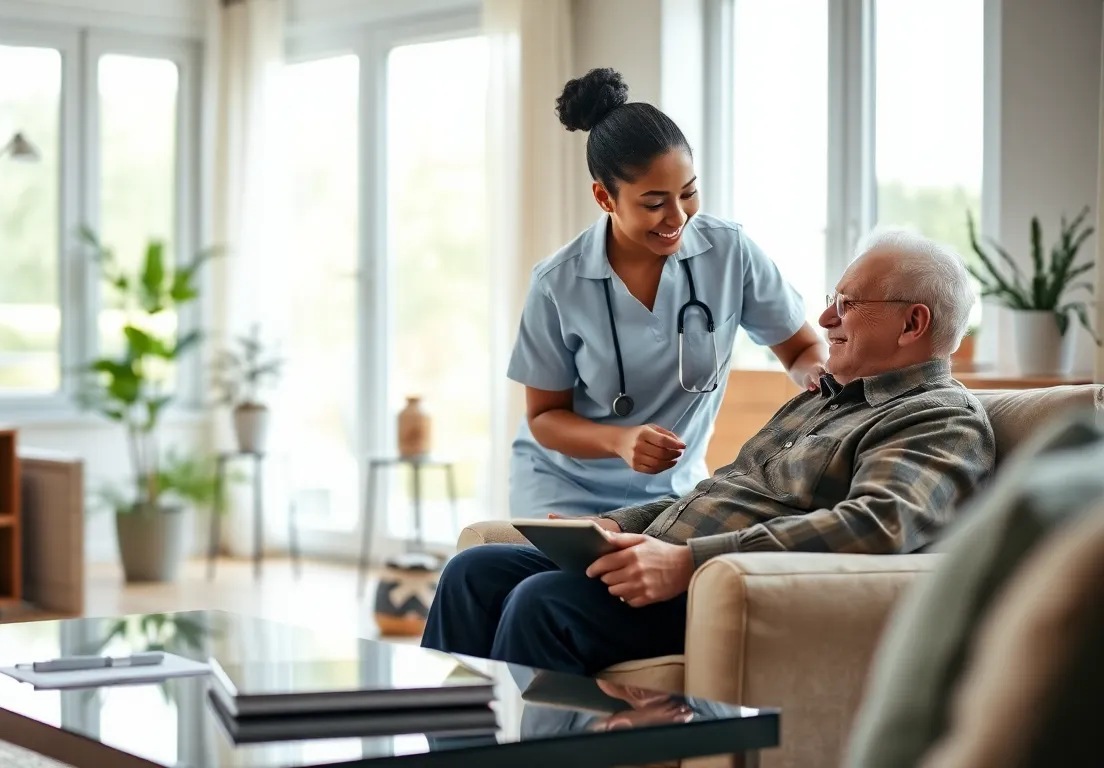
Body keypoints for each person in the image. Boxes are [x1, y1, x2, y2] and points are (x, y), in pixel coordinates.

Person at [424, 227, 996, 676]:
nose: (825, 319)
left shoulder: (938, 417)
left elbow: (878, 526)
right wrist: (608, 526)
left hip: (731, 586)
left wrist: (688, 562)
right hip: (672, 561)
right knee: (475, 572)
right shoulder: (820, 400)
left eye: (847, 303)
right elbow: (718, 493)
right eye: (831, 300)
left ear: (912, 323)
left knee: (543, 602)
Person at [508, 67, 827, 519]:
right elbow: (544, 418)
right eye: (654, 203)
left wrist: (816, 373)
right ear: (605, 198)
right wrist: (620, 441)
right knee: (545, 588)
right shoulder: (557, 283)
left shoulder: (729, 252)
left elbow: (801, 350)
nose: (677, 216)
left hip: (675, 489)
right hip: (562, 486)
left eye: (689, 193)